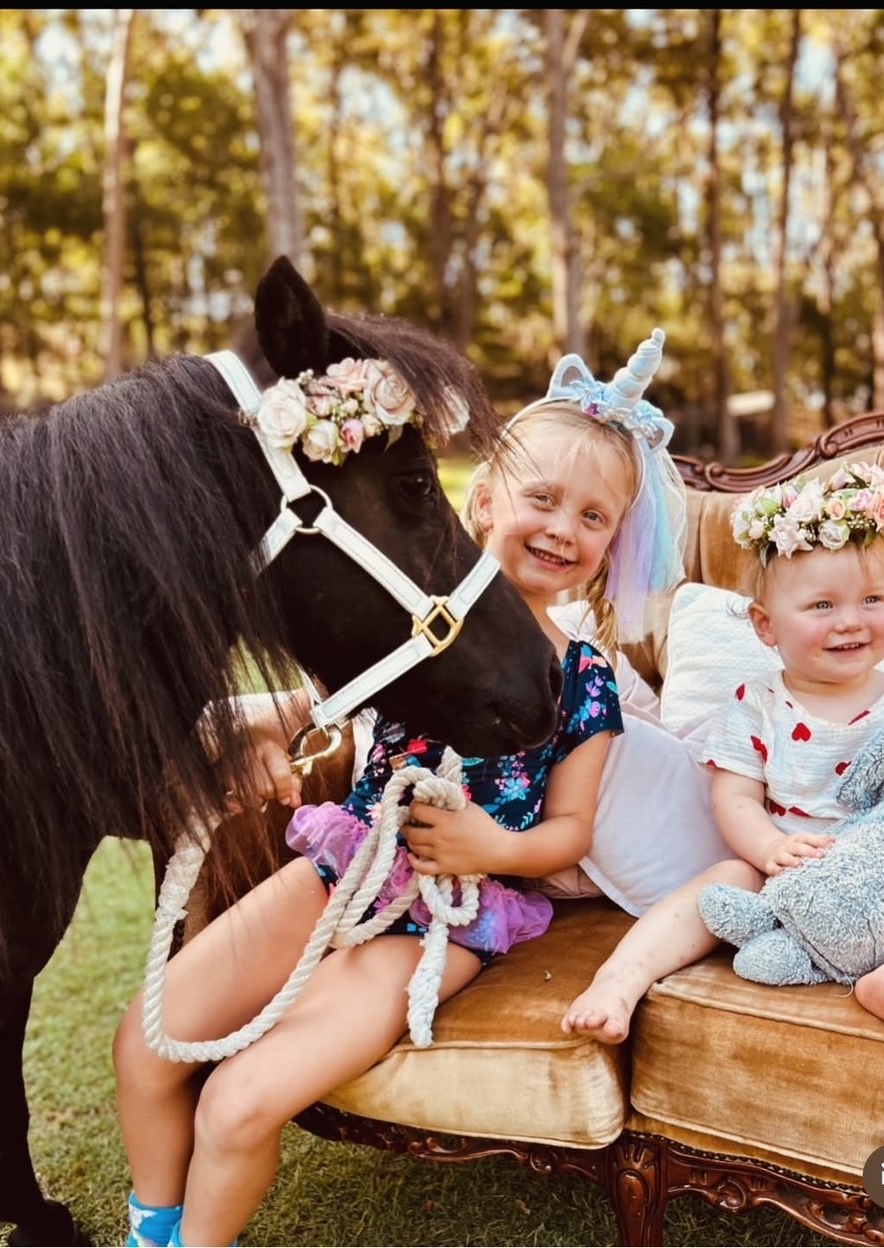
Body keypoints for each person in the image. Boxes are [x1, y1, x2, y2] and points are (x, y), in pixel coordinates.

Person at [113, 340, 687, 1248]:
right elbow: (318, 702)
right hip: (343, 866)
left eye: (593, 517)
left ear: (610, 545)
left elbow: (572, 829)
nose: (562, 529)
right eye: (542, 498)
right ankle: (153, 1223)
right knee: (146, 1045)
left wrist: (496, 849)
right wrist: (261, 732)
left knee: (237, 1101)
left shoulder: (582, 676)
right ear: (484, 500)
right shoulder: (409, 625)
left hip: (444, 916)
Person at [563, 460, 884, 1049]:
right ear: (765, 625)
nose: (851, 621)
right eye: (822, 606)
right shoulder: (758, 706)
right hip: (791, 883)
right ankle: (620, 979)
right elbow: (734, 798)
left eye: (873, 599)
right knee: (726, 880)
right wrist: (769, 849)